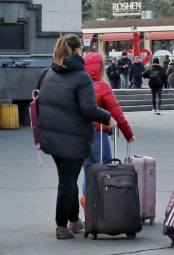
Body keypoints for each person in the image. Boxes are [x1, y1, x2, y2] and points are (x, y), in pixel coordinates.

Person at [37, 34, 116, 239]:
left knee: (67, 178)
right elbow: (89, 109)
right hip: (72, 137)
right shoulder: (82, 77)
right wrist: (108, 118)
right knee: (67, 180)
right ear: (77, 50)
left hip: (51, 136)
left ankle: (73, 221)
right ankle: (61, 225)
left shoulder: (48, 73)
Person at [81, 52, 135, 206]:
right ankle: (107, 209)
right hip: (99, 135)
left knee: (88, 174)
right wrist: (128, 134)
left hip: (82, 136)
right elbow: (116, 113)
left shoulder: (79, 86)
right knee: (106, 171)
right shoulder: (103, 86)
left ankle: (89, 210)